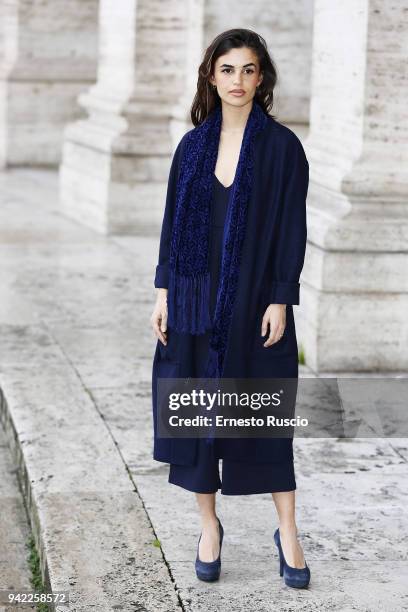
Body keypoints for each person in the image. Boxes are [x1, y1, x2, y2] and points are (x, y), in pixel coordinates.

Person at [150, 28, 310, 588]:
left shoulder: (283, 148)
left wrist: (280, 298)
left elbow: (292, 229)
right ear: (210, 77)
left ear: (260, 77)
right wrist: (164, 292)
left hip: (252, 303)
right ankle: (208, 526)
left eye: (247, 70)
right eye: (227, 70)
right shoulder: (192, 147)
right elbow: (172, 226)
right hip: (194, 300)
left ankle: (288, 532)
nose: (237, 81)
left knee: (265, 416)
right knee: (196, 414)